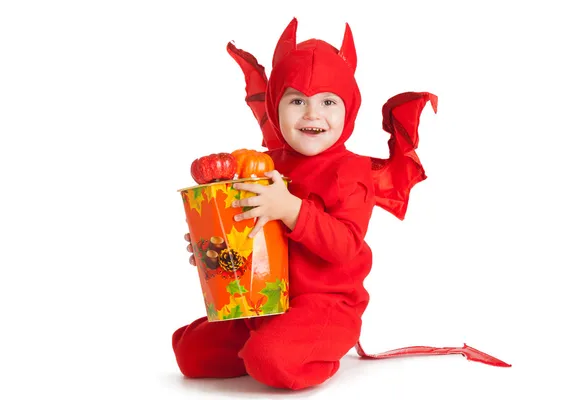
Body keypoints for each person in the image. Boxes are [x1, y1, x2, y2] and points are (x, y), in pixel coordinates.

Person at [173, 18, 509, 391]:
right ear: (273, 105)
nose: (311, 113)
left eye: (327, 102)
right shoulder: (266, 165)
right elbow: (252, 234)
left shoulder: (350, 171)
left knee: (269, 360)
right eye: (296, 100)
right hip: (263, 301)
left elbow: (346, 245)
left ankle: (306, 351)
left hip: (326, 307)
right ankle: (264, 345)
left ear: (348, 109)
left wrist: (290, 208)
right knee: (189, 354)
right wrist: (216, 245)